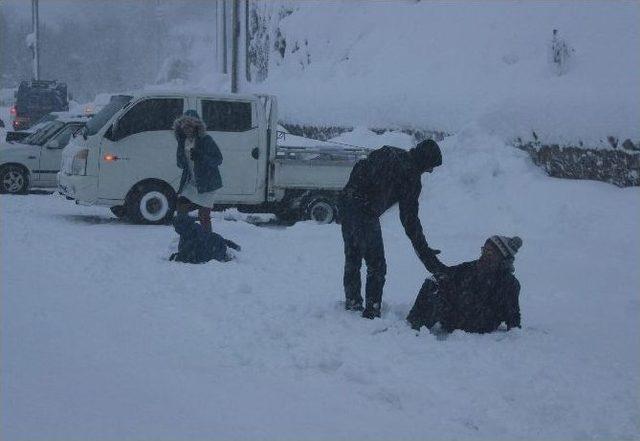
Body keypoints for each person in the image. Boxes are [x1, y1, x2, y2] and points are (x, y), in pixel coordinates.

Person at [339, 139, 448, 319]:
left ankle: (353, 302)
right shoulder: (411, 176)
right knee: (376, 264)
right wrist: (427, 255)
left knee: (353, 256)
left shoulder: (391, 152)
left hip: (346, 204)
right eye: (431, 166)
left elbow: (362, 169)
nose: (430, 170)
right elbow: (410, 220)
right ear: (424, 160)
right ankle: (372, 311)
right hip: (364, 213)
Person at [406, 235, 523, 334]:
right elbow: (445, 273)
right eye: (484, 250)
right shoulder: (472, 267)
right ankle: (413, 324)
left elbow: (513, 317)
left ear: (501, 258)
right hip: (459, 315)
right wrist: (427, 256)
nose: (484, 254)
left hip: (480, 324)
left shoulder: (509, 283)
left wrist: (513, 333)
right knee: (435, 281)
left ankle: (416, 329)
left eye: (490, 252)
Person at [174, 110, 223, 233]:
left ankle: (208, 242)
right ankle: (187, 237)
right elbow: (180, 164)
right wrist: (181, 157)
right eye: (184, 126)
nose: (187, 129)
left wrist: (201, 157)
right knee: (181, 208)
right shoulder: (182, 141)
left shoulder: (206, 140)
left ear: (197, 126)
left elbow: (218, 159)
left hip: (208, 183)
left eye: (190, 125)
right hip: (192, 183)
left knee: (203, 216)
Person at [170, 213, 241, 264]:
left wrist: (179, 257)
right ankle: (230, 249)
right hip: (216, 242)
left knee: (217, 247)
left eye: (176, 227)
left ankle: (228, 254)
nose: (175, 229)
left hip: (216, 248)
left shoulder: (191, 233)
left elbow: (194, 256)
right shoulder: (190, 230)